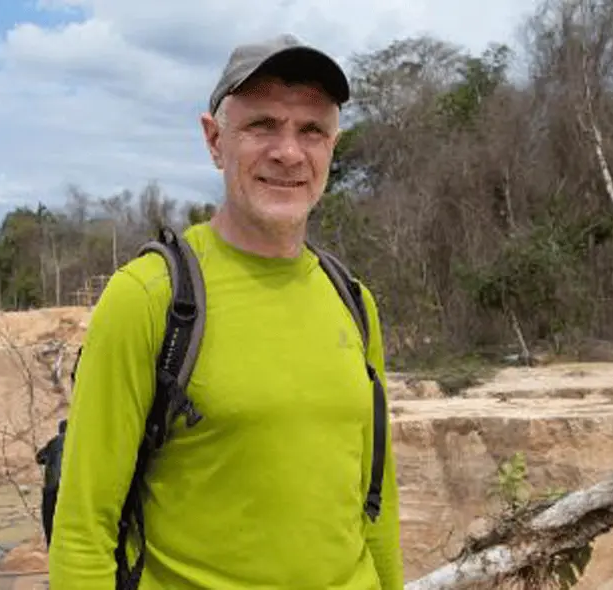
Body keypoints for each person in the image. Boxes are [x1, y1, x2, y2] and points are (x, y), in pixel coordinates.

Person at [47, 33, 404, 589]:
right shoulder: (150, 298)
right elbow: (82, 529)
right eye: (262, 125)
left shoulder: (353, 301)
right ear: (215, 141)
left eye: (312, 130)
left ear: (333, 146)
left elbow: (375, 504)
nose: (288, 152)